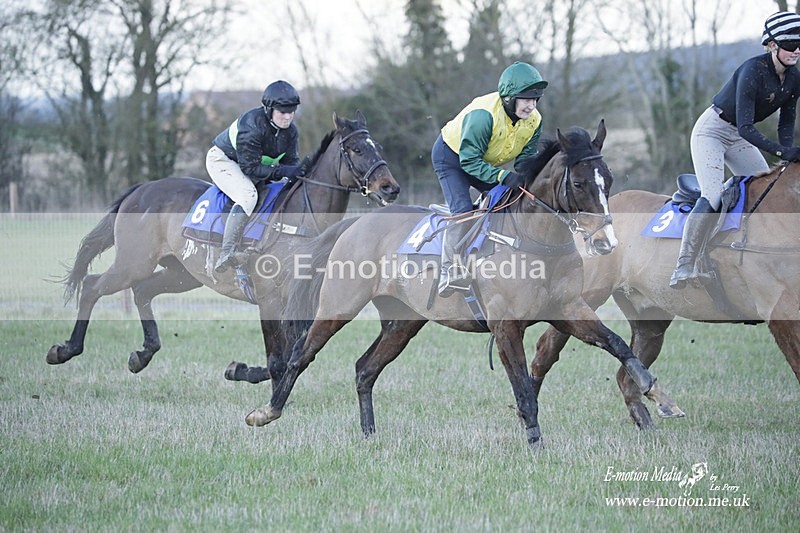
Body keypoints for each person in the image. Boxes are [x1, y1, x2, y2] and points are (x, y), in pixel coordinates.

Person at [670, 11, 800, 288]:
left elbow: (786, 124)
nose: (797, 50)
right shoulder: (753, 70)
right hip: (713, 131)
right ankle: (684, 264)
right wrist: (781, 153)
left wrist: (788, 153)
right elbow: (745, 127)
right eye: (790, 44)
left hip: (740, 136)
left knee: (763, 190)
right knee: (713, 194)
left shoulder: (794, 78)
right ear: (772, 45)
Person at [431, 61, 548, 296]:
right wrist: (504, 176)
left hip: (482, 162)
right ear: (508, 98)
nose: (531, 106)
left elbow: (525, 161)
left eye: (535, 99)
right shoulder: (483, 116)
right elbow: (469, 162)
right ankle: (449, 271)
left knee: (511, 199)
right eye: (525, 99)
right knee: (463, 209)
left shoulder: (535, 120)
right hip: (452, 158)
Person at [206, 80, 308, 273]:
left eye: (291, 111)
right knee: (248, 195)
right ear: (269, 110)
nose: (288, 117)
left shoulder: (291, 132)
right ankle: (226, 252)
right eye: (282, 112)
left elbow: (291, 163)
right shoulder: (251, 126)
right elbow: (250, 169)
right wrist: (284, 172)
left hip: (250, 164)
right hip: (224, 161)